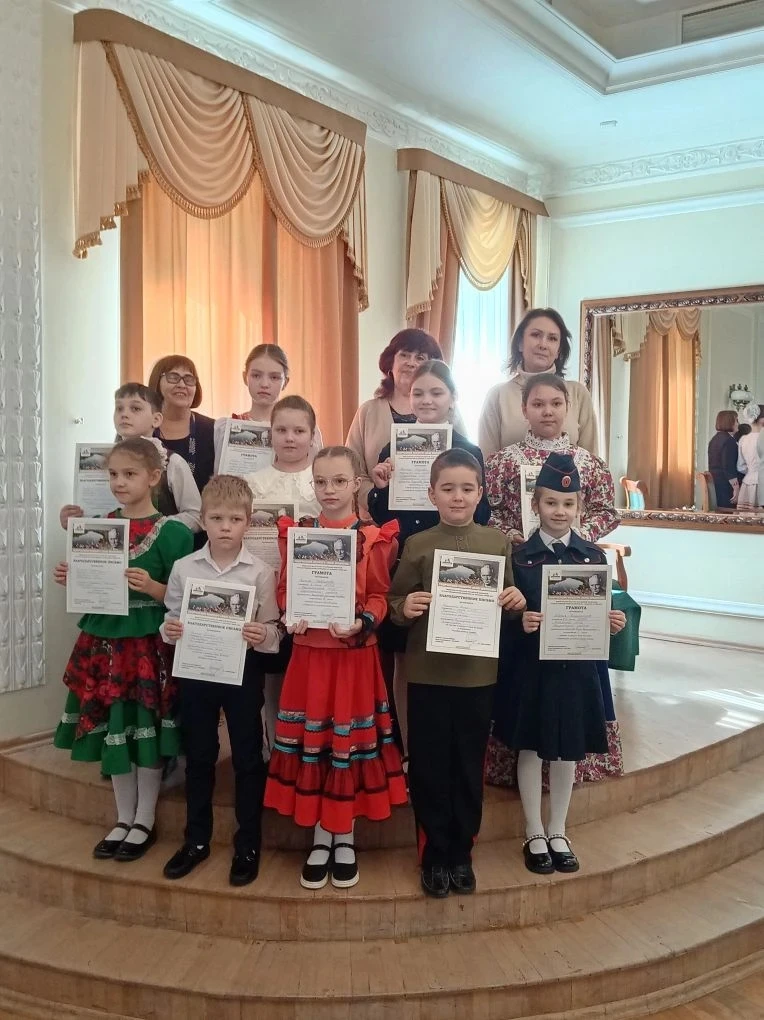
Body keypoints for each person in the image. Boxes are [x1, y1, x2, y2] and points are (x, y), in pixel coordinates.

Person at [264, 447, 407, 889]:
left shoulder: (373, 537)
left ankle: (343, 836)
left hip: (353, 659)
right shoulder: (299, 533)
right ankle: (319, 838)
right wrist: (291, 613)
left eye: (339, 481)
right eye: (321, 481)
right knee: (318, 744)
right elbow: (285, 588)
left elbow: (380, 596)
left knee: (345, 744)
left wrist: (362, 622)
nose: (329, 490)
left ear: (355, 484)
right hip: (310, 656)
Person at [387, 448, 526, 898]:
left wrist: (515, 602)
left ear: (480, 493)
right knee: (429, 764)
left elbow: (509, 603)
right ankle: (432, 852)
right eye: (448, 489)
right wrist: (405, 606)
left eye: (467, 488)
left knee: (468, 764)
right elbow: (394, 602)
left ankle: (461, 851)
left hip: (477, 675)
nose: (458, 497)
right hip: (428, 673)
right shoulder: (418, 544)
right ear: (432, 494)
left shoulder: (496, 543)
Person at [52, 438, 193, 861]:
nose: (119, 482)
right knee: (116, 724)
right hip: (105, 641)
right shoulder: (99, 526)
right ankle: (122, 815)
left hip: (147, 644)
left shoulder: (173, 532)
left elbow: (186, 597)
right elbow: (91, 584)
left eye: (129, 474)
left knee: (144, 724)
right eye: (113, 474)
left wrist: (153, 587)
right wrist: (73, 577)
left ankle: (144, 818)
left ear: (153, 477)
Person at [505, 453, 625, 875]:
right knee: (531, 747)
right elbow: (506, 617)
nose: (559, 511)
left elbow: (598, 614)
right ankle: (533, 830)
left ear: (580, 507)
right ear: (535, 504)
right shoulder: (519, 557)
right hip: (533, 672)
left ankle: (558, 829)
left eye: (568, 503)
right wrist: (521, 620)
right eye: (551, 502)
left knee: (567, 749)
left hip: (576, 672)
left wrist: (612, 622)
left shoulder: (592, 557)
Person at [161, 476, 281, 887]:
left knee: (247, 757)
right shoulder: (184, 568)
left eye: (235, 519)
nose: (225, 526)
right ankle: (196, 840)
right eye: (216, 518)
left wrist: (261, 634)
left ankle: (248, 844)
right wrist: (170, 630)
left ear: (248, 521)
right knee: (199, 756)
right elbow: (170, 618)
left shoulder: (260, 572)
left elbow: (274, 631)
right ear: (204, 519)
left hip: (242, 674)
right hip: (196, 672)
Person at [368, 359, 490, 755]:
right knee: (405, 659)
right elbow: (383, 517)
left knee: (450, 652)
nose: (426, 400)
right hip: (407, 564)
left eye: (436, 392)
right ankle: (407, 750)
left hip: (457, 564)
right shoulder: (393, 447)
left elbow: (483, 514)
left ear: (452, 398)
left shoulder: (468, 450)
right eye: (418, 392)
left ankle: (449, 748)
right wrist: (380, 487)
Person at [485, 374, 618, 546]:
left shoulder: (590, 464)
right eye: (538, 404)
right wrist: (508, 533)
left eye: (556, 404)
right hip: (518, 556)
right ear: (524, 409)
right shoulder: (501, 462)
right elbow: (485, 511)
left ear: (567, 408)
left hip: (574, 557)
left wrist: (581, 535)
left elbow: (606, 513)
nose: (548, 412)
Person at [346, 329, 465, 512]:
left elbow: (465, 465)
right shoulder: (368, 411)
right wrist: (377, 500)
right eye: (404, 355)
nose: (411, 362)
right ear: (390, 362)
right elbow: (352, 470)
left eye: (420, 357)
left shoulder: (449, 413)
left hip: (439, 517)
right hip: (377, 519)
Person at [59, 384, 202, 534]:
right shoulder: (104, 460)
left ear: (156, 419)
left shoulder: (172, 462)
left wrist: (157, 526)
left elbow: (195, 516)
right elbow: (96, 518)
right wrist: (75, 520)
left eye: (135, 408)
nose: (124, 414)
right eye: (119, 408)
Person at [478, 308, 598, 459]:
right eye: (536, 335)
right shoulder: (498, 396)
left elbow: (590, 461)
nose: (543, 345)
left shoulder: (578, 393)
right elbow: (487, 462)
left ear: (559, 350)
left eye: (552, 338)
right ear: (520, 343)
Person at [213, 344, 323, 469]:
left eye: (274, 377)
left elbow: (317, 474)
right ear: (245, 377)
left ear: (285, 382)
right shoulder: (224, 429)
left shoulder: (304, 430)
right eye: (256, 375)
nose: (264, 384)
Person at [148, 356, 216, 493]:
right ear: (157, 382)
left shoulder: (213, 429)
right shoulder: (141, 426)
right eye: (173, 377)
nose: (182, 384)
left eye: (189, 379)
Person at [707, 410, 740, 509]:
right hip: (725, 489)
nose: (738, 423)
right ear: (729, 422)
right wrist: (736, 488)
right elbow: (728, 467)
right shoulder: (729, 441)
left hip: (716, 485)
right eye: (736, 420)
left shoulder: (714, 439)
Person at [737, 405, 763, 511]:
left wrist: (752, 471)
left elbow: (741, 467)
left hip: (747, 484)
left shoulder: (743, 439)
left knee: (747, 518)